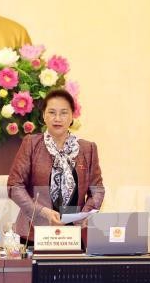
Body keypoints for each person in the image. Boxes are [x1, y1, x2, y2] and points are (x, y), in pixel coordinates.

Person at [7, 89, 105, 241]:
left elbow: (97, 189)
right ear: (44, 116)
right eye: (52, 112)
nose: (57, 118)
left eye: (64, 113)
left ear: (72, 116)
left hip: (74, 234)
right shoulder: (31, 144)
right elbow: (14, 186)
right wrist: (42, 211)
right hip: (35, 232)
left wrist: (83, 215)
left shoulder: (87, 149)